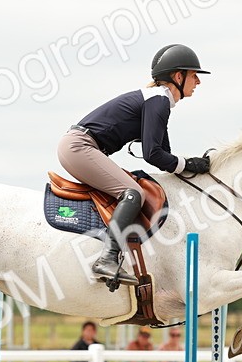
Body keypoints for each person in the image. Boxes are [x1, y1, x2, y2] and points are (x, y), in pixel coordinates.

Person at [57, 43, 212, 287]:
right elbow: (153, 154)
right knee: (133, 193)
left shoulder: (159, 101)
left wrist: (188, 165)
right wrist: (188, 163)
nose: (198, 82)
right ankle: (107, 259)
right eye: (194, 75)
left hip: (80, 145)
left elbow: (165, 156)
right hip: (80, 146)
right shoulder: (158, 100)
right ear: (178, 76)